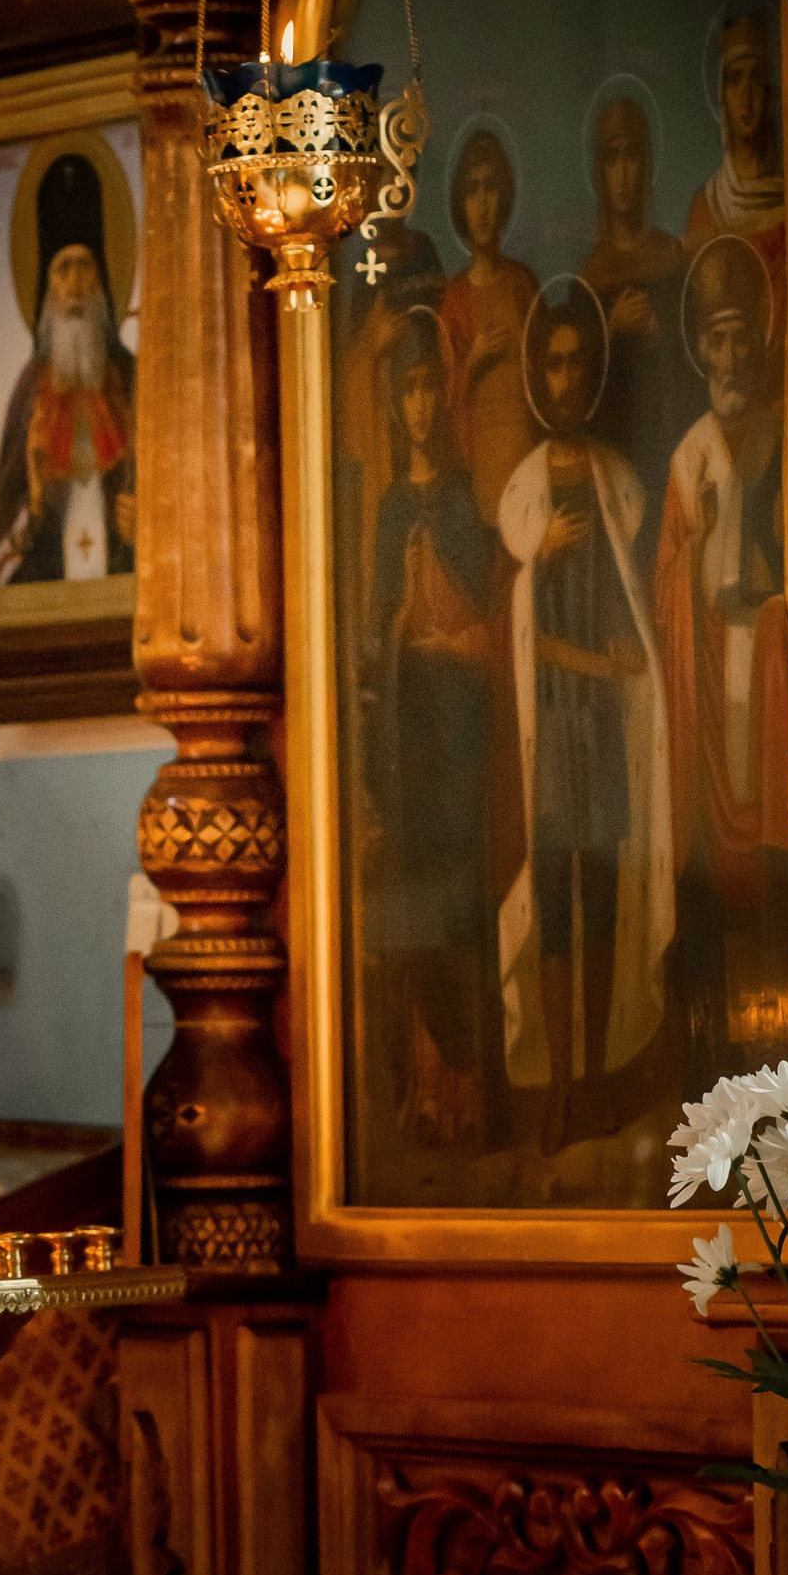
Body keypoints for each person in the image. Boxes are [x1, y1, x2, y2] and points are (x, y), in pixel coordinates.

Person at [493, 278, 676, 1155]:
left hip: (603, 729)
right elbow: (527, 630)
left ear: (591, 373)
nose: (564, 380)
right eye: (552, 365)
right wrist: (546, 567)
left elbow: (627, 601)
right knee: (557, 904)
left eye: (577, 364)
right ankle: (560, 1086)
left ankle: (601, 1079)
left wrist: (621, 660)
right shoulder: (526, 493)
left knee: (601, 901)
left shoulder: (615, 480)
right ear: (538, 374)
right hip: (554, 724)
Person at [656, 233, 788, 1086]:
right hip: (713, 674)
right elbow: (671, 576)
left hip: (777, 663)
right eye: (719, 337)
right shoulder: (687, 457)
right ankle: (716, 1063)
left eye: (746, 335)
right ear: (700, 347)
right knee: (714, 883)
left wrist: (773, 595)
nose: (734, 353)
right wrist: (701, 541)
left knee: (781, 869)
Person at [360, 314, 500, 1150]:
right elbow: (379, 631)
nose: (416, 405)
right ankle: (423, 1095)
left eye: (425, 388)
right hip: (408, 734)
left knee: (458, 908)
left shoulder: (457, 502)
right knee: (411, 911)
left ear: (440, 399)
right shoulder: (386, 512)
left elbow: (484, 620)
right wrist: (398, 631)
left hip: (458, 731)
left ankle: (470, 1096)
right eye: (404, 388)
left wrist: (440, 636)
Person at [0, 143, 136, 583]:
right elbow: (7, 506)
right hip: (48, 564)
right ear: (47, 286)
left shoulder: (131, 379)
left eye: (85, 267)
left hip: (124, 559)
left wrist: (146, 524)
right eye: (63, 268)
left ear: (102, 278)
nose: (75, 284)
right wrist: (32, 509)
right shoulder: (31, 388)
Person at [575, 88, 690, 539]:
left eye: (632, 156)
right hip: (613, 460)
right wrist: (610, 329)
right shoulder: (591, 275)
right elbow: (577, 390)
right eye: (611, 159)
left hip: (665, 449)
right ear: (599, 172)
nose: (622, 174)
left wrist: (660, 337)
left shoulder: (671, 258)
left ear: (647, 164)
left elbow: (695, 373)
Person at [437, 127, 541, 530]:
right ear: (460, 203)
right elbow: (442, 398)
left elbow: (545, 367)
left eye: (490, 189)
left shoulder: (522, 284)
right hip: (479, 460)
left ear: (504, 197)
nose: (482, 205)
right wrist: (474, 361)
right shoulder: (454, 299)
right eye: (472, 191)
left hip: (526, 451)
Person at [681, 1, 787, 384]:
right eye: (735, 79)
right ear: (721, 94)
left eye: (757, 78)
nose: (747, 95)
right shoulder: (706, 208)